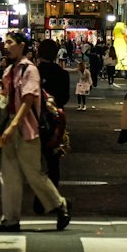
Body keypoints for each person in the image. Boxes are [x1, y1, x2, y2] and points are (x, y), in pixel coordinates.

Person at [0, 31, 70, 233]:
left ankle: (60, 205)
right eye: (5, 42)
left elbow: (28, 100)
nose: (6, 46)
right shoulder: (10, 70)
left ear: (22, 46)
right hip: (10, 128)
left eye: (10, 43)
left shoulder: (30, 70)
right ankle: (10, 219)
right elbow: (8, 99)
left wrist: (14, 125)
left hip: (26, 129)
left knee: (33, 174)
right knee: (9, 176)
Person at [36, 39, 71, 196]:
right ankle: (53, 193)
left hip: (33, 121)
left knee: (34, 161)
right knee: (53, 160)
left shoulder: (32, 72)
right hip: (56, 121)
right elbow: (64, 99)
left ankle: (40, 195)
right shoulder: (62, 74)